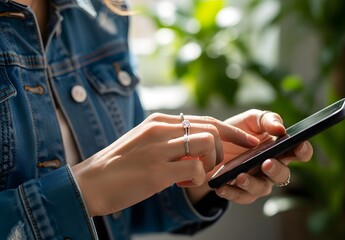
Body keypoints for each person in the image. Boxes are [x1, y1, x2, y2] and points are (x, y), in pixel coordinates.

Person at [0, 0, 313, 239]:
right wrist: (81, 191)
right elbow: (96, 191)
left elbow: (123, 211)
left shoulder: (101, 13)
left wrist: (205, 172)